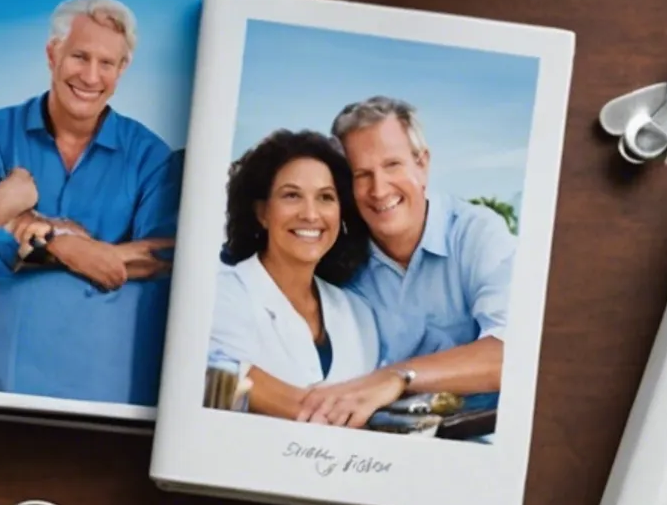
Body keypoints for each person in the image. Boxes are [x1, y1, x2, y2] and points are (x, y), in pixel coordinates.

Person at [0, 0, 178, 405]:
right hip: (0, 376)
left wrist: (33, 230)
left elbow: (162, 256)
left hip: (106, 378)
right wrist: (65, 244)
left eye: (106, 63)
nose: (91, 76)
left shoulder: (150, 156)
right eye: (79, 56)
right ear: (52, 54)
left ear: (122, 69)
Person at [282, 97, 521, 430]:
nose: (379, 190)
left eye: (392, 165)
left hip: (478, 437)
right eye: (361, 174)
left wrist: (397, 377)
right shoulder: (335, 258)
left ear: (422, 164)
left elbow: (514, 355)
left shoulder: (478, 234)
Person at [204, 130, 378, 421]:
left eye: (325, 197)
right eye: (292, 195)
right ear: (262, 212)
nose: (311, 214)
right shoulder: (221, 295)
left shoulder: (358, 313)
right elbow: (225, 385)